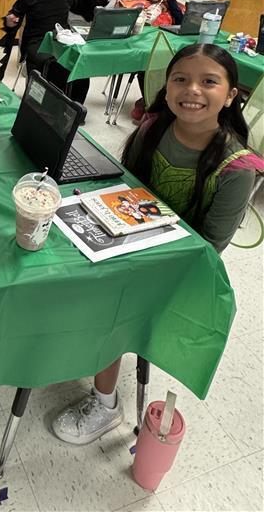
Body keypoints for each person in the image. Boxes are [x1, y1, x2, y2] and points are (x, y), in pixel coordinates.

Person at [51, 43, 263, 446]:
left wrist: (132, 257)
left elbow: (208, 249)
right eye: (180, 79)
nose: (192, 91)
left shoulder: (236, 168)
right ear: (166, 88)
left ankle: (106, 402)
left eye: (209, 82)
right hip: (129, 241)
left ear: (232, 94)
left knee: (111, 300)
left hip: (180, 268)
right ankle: (76, 345)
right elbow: (122, 189)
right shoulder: (153, 128)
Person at [4, 0, 110, 103]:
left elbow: (81, 6)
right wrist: (10, 21)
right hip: (37, 41)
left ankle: (74, 105)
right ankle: (43, 102)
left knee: (79, 60)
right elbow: (14, 14)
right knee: (49, 62)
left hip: (62, 38)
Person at [115, 0, 185, 121]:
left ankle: (154, 103)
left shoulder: (172, 5)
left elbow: (181, 24)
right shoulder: (138, 3)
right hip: (142, 52)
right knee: (146, 68)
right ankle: (149, 102)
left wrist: (171, 4)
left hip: (166, 51)